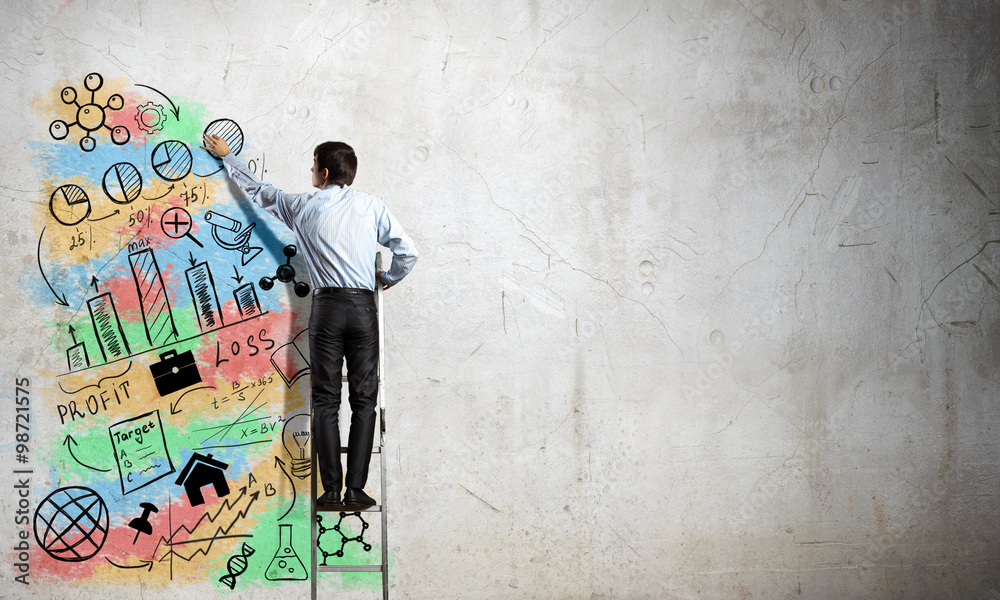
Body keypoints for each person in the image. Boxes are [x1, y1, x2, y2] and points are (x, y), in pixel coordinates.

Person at [200, 134, 417, 507]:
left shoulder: (301, 205)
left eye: (314, 164)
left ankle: (330, 491)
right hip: (362, 308)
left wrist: (229, 158)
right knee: (364, 399)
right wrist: (385, 279)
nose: (311, 170)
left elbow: (259, 192)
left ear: (325, 172)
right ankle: (355, 490)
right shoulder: (371, 206)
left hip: (327, 309)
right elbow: (408, 253)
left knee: (325, 400)